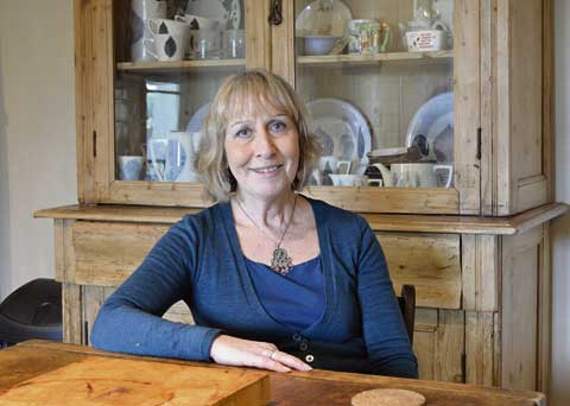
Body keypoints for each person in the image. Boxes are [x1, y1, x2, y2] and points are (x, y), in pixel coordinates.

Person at [91, 69, 418, 378]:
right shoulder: (196, 238)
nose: (265, 148)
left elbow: (394, 360)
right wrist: (216, 345)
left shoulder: (352, 234)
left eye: (278, 126)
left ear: (300, 139)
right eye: (243, 132)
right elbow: (110, 323)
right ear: (222, 150)